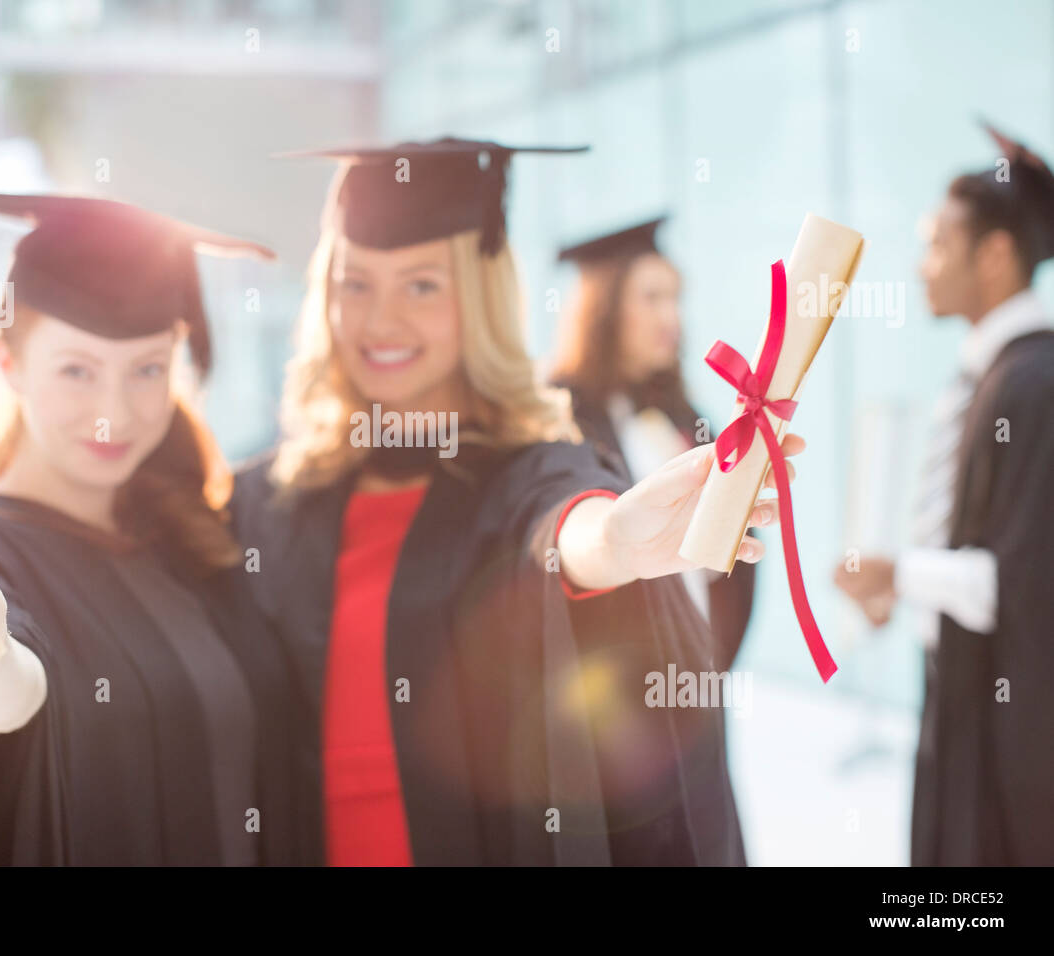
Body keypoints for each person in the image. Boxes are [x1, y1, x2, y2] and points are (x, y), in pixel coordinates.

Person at [233, 138, 801, 866]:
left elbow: (559, 519)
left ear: (479, 298)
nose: (380, 321)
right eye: (355, 284)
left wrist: (615, 540)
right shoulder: (269, 500)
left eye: (422, 286)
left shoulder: (518, 470)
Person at [0, 190, 299, 865]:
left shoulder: (196, 540)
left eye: (148, 370)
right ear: (8, 362)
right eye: (76, 371)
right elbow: (8, 695)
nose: (113, 413)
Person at [833, 121, 1054, 865]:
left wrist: (897, 572)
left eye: (936, 244)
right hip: (966, 695)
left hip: (1011, 725)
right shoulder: (996, 375)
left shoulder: (1034, 385)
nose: (922, 266)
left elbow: (1023, 583)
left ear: (994, 254)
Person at [551, 215, 756, 670]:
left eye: (676, 298)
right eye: (652, 298)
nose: (672, 317)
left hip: (696, 669)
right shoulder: (558, 417)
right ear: (603, 308)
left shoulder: (683, 415)